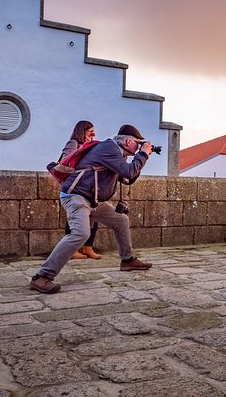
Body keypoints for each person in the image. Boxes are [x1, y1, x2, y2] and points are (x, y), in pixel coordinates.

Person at [30, 124, 154, 294]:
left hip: (94, 201)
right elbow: (129, 172)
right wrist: (143, 154)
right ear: (127, 141)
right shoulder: (108, 147)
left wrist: (140, 157)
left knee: (121, 220)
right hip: (76, 196)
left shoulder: (117, 154)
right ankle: (41, 276)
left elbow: (127, 178)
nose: (139, 147)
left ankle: (127, 260)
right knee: (81, 233)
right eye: (137, 143)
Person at [60, 120, 101, 260]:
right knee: (75, 217)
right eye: (90, 131)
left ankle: (88, 247)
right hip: (74, 188)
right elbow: (66, 160)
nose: (93, 134)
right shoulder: (73, 143)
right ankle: (72, 250)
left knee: (94, 216)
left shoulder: (89, 146)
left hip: (88, 187)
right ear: (82, 131)